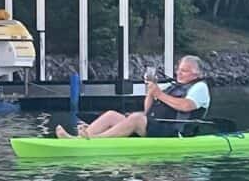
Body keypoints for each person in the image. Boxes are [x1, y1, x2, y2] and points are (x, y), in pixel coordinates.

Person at [55, 55, 210, 140]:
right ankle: (79, 140)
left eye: (185, 71)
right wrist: (150, 91)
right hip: (155, 127)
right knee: (111, 115)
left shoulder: (200, 87)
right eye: (179, 70)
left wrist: (159, 94)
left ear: (196, 74)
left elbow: (186, 106)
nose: (179, 73)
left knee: (136, 118)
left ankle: (95, 139)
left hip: (176, 133)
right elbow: (147, 109)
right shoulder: (169, 86)